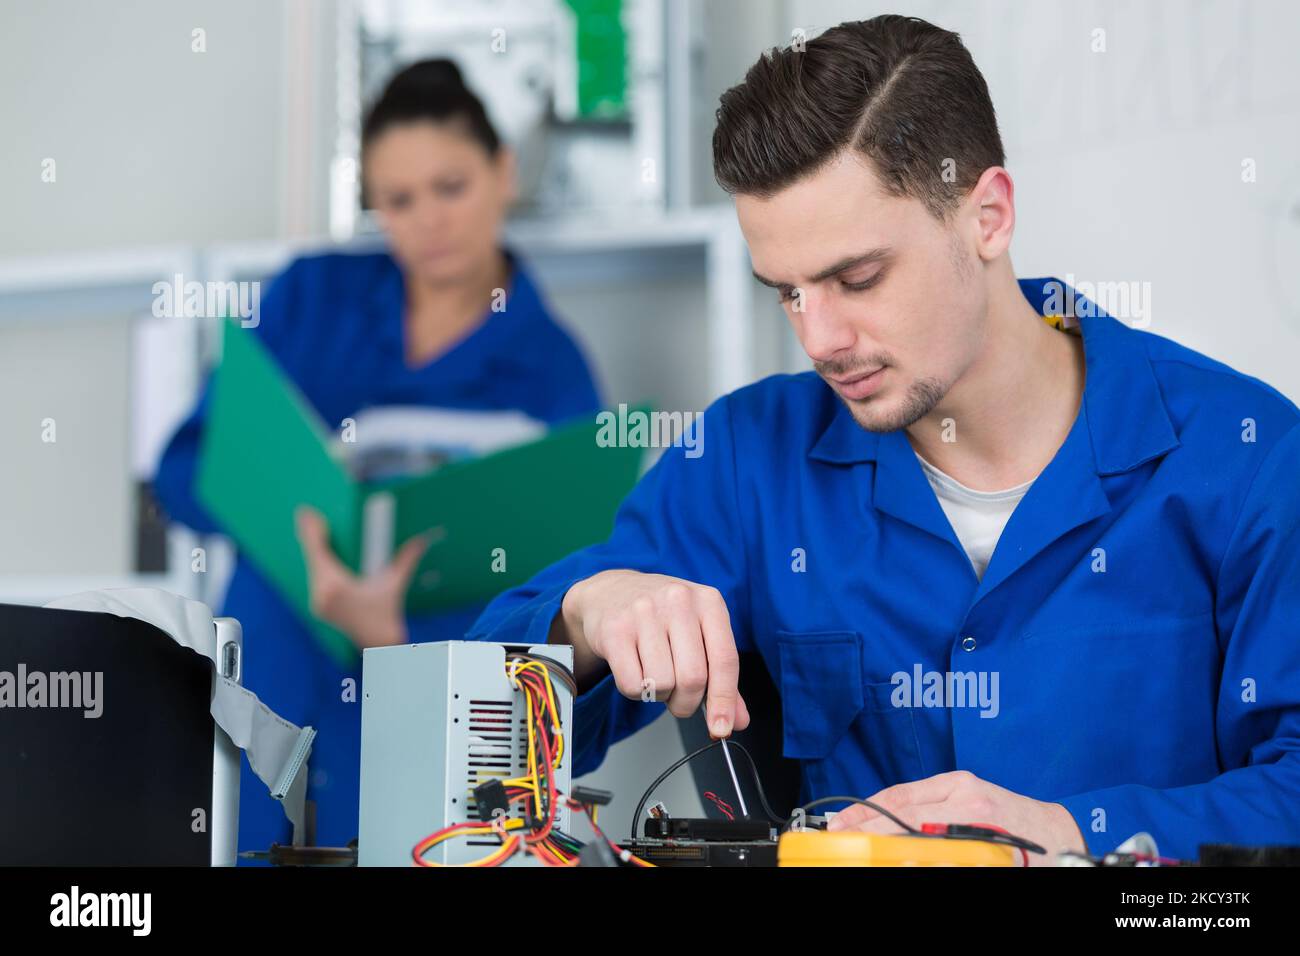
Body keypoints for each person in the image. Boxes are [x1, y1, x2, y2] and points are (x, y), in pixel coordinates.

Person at [466, 16, 1300, 863]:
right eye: (785, 293)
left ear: (988, 215)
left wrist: (1069, 833)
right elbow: (468, 737)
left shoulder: (1248, 459)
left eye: (855, 278)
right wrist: (583, 616)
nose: (818, 339)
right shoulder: (748, 461)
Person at [153, 58, 602, 853]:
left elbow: (574, 578)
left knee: (414, 839)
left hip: (439, 674)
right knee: (245, 839)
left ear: (503, 173)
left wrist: (391, 638)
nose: (427, 219)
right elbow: (185, 469)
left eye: (450, 186)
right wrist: (301, 529)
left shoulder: (553, 367)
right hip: (276, 650)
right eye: (397, 199)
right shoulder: (309, 298)